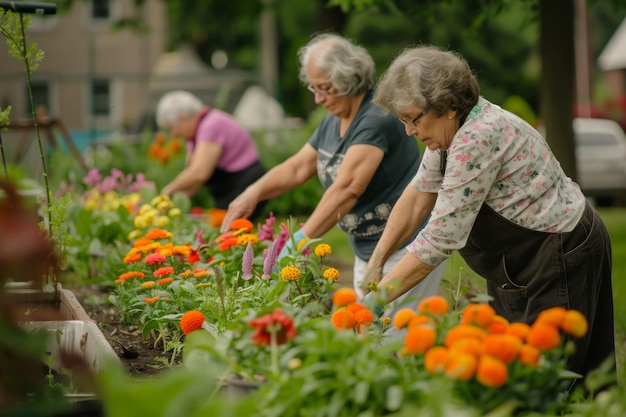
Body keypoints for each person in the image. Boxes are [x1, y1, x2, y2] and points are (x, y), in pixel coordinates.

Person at [365, 44, 615, 377]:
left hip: (561, 251)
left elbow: (440, 239)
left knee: (549, 377)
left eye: (414, 119)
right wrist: (377, 259)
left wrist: (377, 300)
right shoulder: (447, 136)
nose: (410, 131)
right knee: (511, 369)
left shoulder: (476, 138)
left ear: (447, 106)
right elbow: (418, 194)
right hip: (521, 262)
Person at [220, 33, 445, 312]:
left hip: (406, 245)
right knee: (371, 333)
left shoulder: (376, 118)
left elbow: (348, 188)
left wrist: (298, 242)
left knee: (391, 339)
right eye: (314, 88)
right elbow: (298, 167)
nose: (317, 99)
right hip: (369, 247)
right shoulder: (334, 119)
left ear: (348, 80)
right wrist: (251, 193)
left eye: (324, 88)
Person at [155, 90, 267, 221]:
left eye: (171, 128)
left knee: (232, 233)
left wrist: (166, 192)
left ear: (182, 119)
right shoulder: (195, 135)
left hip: (244, 184)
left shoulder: (211, 125)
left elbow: (199, 172)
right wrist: (170, 205)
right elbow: (193, 182)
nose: (173, 135)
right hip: (229, 188)